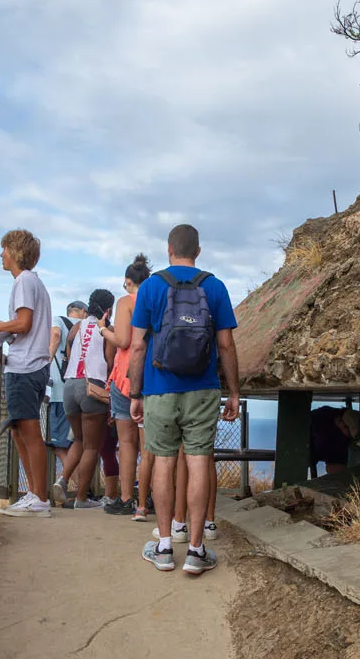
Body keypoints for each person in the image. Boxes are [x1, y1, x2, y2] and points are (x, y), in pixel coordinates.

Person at [130, 224, 239, 575]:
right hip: (203, 389)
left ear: (168, 249)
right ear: (198, 250)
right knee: (197, 462)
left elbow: (137, 345)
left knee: (163, 462)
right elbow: (225, 346)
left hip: (159, 389)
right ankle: (195, 550)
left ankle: (163, 548)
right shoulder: (215, 286)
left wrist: (135, 393)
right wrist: (233, 392)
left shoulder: (150, 287)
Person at [0, 229, 53, 517]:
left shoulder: (24, 281)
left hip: (26, 367)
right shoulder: (34, 282)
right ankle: (34, 493)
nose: (1, 255)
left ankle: (40, 498)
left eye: (4, 249)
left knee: (30, 434)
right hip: (30, 365)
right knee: (19, 431)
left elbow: (24, 323)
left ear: (15, 251)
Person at [99, 254, 153, 518]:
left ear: (128, 281)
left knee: (127, 441)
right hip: (152, 375)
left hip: (126, 376)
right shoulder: (155, 298)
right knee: (149, 444)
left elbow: (122, 340)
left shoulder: (126, 302)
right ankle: (151, 495)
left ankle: (127, 498)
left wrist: (103, 331)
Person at [60, 289, 115, 509]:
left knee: (79, 440)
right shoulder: (107, 330)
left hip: (70, 386)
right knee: (92, 446)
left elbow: (68, 354)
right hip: (93, 386)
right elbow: (110, 362)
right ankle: (81, 498)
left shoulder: (76, 327)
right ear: (108, 309)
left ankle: (62, 480)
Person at [47, 300, 87, 485]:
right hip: (84, 391)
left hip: (59, 392)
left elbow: (55, 335)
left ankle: (71, 486)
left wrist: (45, 361)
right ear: (83, 312)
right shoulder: (89, 327)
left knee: (60, 445)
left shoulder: (59, 321)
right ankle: (81, 489)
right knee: (78, 443)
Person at [309, 406, 359, 475]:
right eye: (349, 432)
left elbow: (332, 468)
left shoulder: (344, 443)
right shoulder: (323, 415)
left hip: (307, 455)